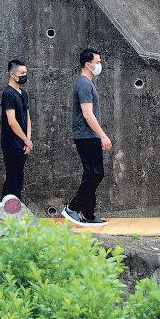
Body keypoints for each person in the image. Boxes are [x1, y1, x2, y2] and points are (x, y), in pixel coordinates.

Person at [61, 48, 111, 227]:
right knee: (96, 173)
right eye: (97, 62)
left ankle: (88, 213)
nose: (100, 65)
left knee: (91, 173)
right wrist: (103, 135)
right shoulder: (84, 84)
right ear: (88, 64)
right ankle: (72, 208)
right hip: (86, 135)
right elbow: (88, 114)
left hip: (88, 135)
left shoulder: (87, 83)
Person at [1, 59, 33, 200]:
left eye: (26, 72)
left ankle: (11, 208)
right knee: (13, 177)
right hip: (11, 142)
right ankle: (9, 210)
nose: (24, 75)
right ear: (12, 74)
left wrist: (28, 140)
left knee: (18, 176)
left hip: (23, 142)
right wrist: (25, 139)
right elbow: (12, 121)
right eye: (21, 73)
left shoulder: (23, 94)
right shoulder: (8, 93)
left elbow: (27, 118)